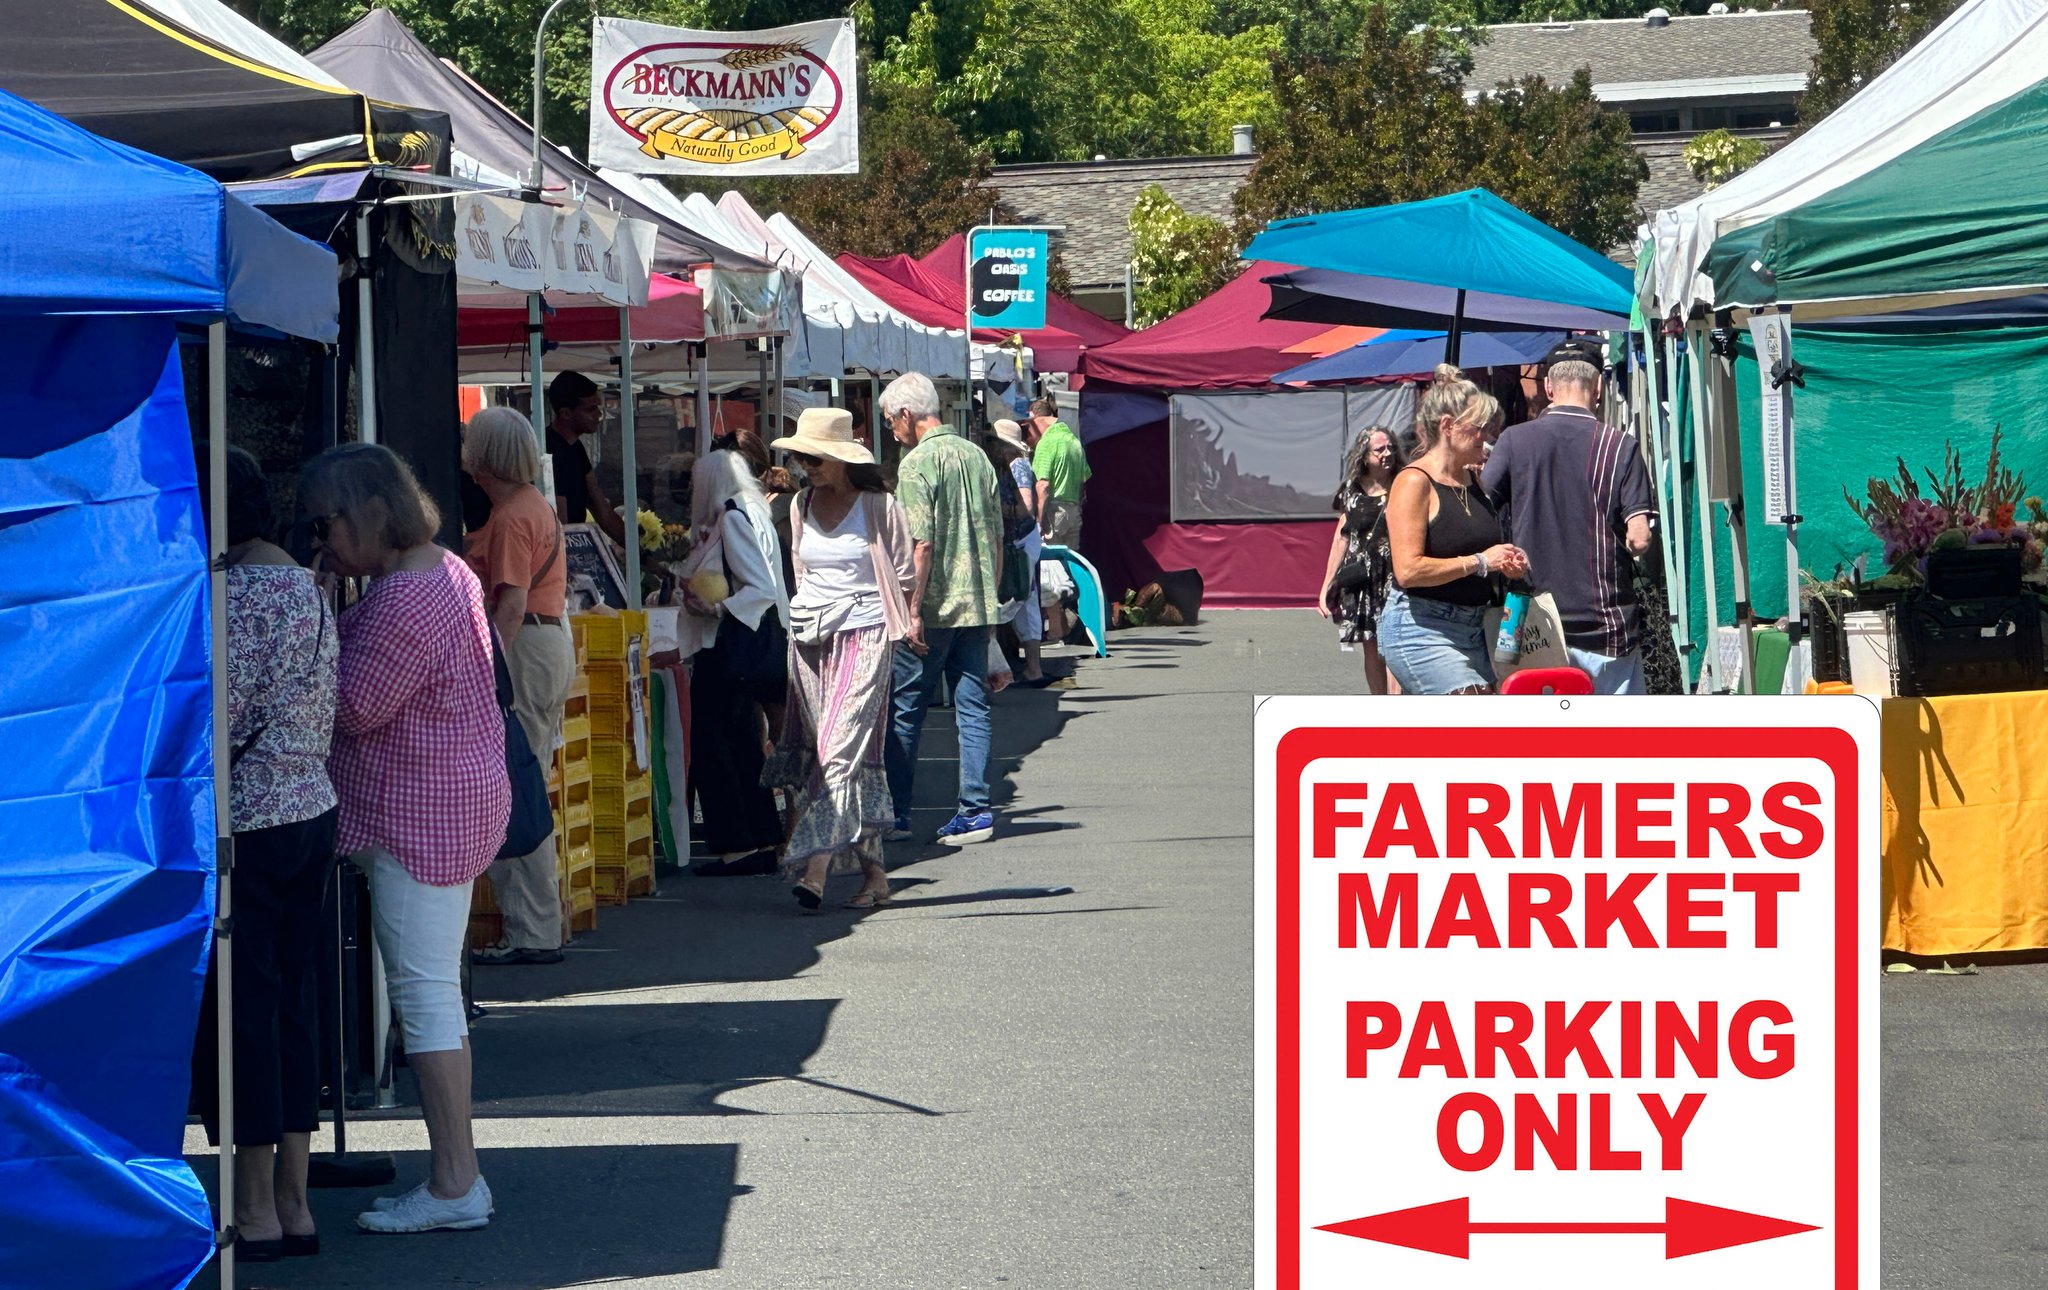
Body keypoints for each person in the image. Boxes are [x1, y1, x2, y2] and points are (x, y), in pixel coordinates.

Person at [301, 443, 507, 1234]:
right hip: (452, 802)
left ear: (370, 514)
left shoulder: (404, 599)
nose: (322, 543)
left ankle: (457, 1182)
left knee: (424, 1001)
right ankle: (457, 1178)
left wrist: (316, 614)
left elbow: (350, 709)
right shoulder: (441, 570)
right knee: (434, 999)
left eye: (328, 526)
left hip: (420, 816)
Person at [189, 447, 339, 1262]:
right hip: (310, 811)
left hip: (242, 824)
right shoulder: (309, 592)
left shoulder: (228, 595)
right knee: (294, 1005)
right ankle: (295, 1198)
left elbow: (210, 718)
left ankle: (251, 1208)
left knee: (240, 1012)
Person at [768, 408, 918, 909]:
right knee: (845, 756)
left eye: (815, 456)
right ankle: (875, 876)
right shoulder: (800, 504)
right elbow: (799, 571)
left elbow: (905, 572)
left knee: (837, 749)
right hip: (811, 638)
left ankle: (814, 868)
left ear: (840, 458)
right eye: (801, 455)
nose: (806, 463)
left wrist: (910, 621)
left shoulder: (879, 505)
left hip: (867, 631)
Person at [881, 372, 1012, 846]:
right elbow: (997, 538)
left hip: (934, 606)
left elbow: (922, 544)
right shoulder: (977, 456)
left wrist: (912, 609)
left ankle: (897, 812)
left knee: (907, 709)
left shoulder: (916, 465)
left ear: (905, 415)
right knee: (972, 708)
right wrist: (989, 597)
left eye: (890, 421)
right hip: (977, 604)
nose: (891, 431)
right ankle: (976, 808)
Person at [1482, 341, 1657, 694]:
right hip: (1604, 627)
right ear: (1598, 387)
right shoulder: (1620, 446)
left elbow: (1479, 512)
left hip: (1522, 620)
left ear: (1547, 387)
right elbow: (1639, 539)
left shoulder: (1512, 440)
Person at [461, 408, 571, 966]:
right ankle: (539, 922)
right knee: (526, 777)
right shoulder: (533, 506)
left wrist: (484, 670)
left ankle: (531, 929)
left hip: (523, 647)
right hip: (546, 643)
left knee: (514, 783)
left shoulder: (510, 515)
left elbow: (509, 604)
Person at [1380, 366, 1529, 695]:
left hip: (1476, 629)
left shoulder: (1472, 478)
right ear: (1447, 426)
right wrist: (1480, 562)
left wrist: (1506, 562)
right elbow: (1407, 570)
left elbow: (1482, 549)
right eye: (1478, 428)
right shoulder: (1413, 481)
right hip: (1421, 628)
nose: (1486, 437)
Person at [683, 446, 791, 877]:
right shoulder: (750, 511)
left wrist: (717, 609)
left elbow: (758, 585)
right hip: (742, 649)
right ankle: (759, 837)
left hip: (726, 649)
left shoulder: (731, 517)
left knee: (718, 746)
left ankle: (738, 844)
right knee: (743, 742)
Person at [1319, 426, 1403, 695]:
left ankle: (1397, 710)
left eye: (1390, 447)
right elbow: (1342, 537)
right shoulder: (1351, 491)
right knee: (1371, 645)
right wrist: (1326, 586)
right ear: (1365, 455)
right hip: (1364, 580)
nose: (1387, 453)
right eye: (1379, 449)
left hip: (1396, 577)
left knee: (1394, 645)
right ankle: (1379, 706)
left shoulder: (1404, 483)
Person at [990, 419, 1049, 685]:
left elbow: (1025, 507)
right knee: (1023, 602)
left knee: (1022, 602)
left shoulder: (1017, 466)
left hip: (1020, 543)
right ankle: (1027, 666)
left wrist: (995, 509)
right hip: (1020, 542)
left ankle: (1032, 668)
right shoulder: (1013, 465)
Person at [545, 371, 628, 550]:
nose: (599, 414)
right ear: (565, 413)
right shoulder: (550, 452)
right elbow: (561, 524)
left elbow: (601, 508)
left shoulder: (576, 448)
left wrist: (641, 555)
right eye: (591, 409)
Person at [1027, 395, 1090, 549]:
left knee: (1050, 565)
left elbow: (1043, 486)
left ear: (1035, 419)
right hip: (1074, 513)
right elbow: (1084, 481)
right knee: (1069, 563)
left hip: (1054, 514)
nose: (1028, 434)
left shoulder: (1047, 442)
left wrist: (1038, 522)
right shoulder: (1074, 441)